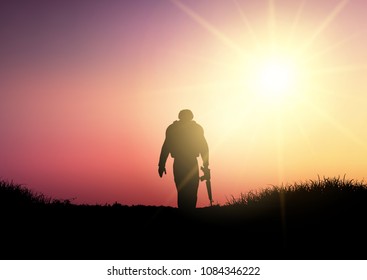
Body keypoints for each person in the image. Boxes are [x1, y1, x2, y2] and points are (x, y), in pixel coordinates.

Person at [158, 109, 209, 209]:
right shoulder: (192, 128)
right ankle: (186, 212)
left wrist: (161, 164)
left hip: (185, 162)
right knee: (186, 189)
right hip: (186, 162)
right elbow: (166, 146)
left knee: (189, 189)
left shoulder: (192, 129)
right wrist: (161, 164)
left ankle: (187, 212)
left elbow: (203, 147)